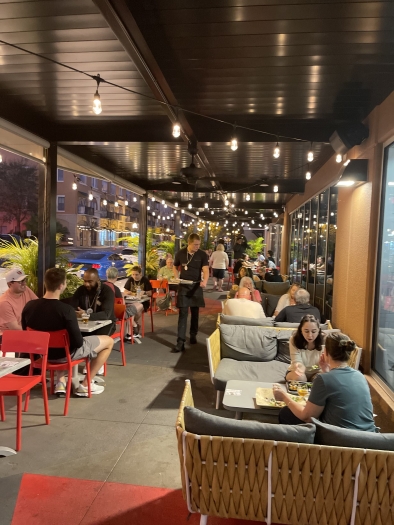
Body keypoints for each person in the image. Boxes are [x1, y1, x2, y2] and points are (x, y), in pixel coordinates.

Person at [22, 268, 114, 397]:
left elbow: (25, 332)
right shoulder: (66, 310)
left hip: (42, 355)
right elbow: (77, 342)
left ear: (45, 284)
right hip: (65, 355)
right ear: (62, 285)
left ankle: (60, 381)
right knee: (109, 341)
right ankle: (85, 385)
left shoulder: (29, 306)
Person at [273, 332, 376, 432]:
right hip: (369, 438)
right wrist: (326, 371)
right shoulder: (360, 376)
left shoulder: (323, 379)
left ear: (325, 352)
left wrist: (283, 396)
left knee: (286, 413)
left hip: (342, 441)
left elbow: (307, 417)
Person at [172, 233, 209, 353]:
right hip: (183, 286)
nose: (197, 247)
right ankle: (180, 342)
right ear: (189, 243)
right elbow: (174, 266)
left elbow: (206, 270)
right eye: (195, 245)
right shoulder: (180, 253)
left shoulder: (202, 254)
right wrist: (176, 277)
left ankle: (193, 334)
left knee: (195, 312)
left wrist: (205, 281)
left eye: (199, 244)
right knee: (182, 314)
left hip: (196, 285)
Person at [66, 268, 116, 335]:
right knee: (73, 337)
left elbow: (106, 314)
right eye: (85, 281)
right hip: (85, 323)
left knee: (97, 341)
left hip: (106, 323)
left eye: (90, 281)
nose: (86, 284)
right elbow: (72, 307)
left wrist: (86, 315)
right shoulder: (81, 290)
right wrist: (76, 313)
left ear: (98, 280)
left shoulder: (107, 291)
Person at [0, 268, 37, 341]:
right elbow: (15, 328)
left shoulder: (26, 289)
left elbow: (39, 306)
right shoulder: (4, 302)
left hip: (24, 330)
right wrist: (34, 330)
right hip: (8, 336)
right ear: (10, 284)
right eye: (20, 281)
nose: (24, 283)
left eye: (24, 280)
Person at [286, 315, 325, 382]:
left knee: (319, 380)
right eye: (306, 331)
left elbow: (326, 364)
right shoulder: (294, 339)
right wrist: (300, 367)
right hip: (296, 372)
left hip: (317, 372)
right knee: (301, 378)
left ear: (318, 330)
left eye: (313, 331)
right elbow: (296, 360)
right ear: (301, 330)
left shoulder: (325, 340)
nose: (310, 335)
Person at [123, 265, 153, 339]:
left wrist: (144, 292)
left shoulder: (145, 280)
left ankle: (133, 325)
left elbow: (150, 293)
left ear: (140, 274)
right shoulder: (130, 280)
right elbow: (125, 291)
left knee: (136, 309)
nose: (134, 276)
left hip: (143, 302)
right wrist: (128, 292)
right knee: (131, 308)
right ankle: (133, 326)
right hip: (131, 300)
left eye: (136, 274)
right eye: (133, 274)